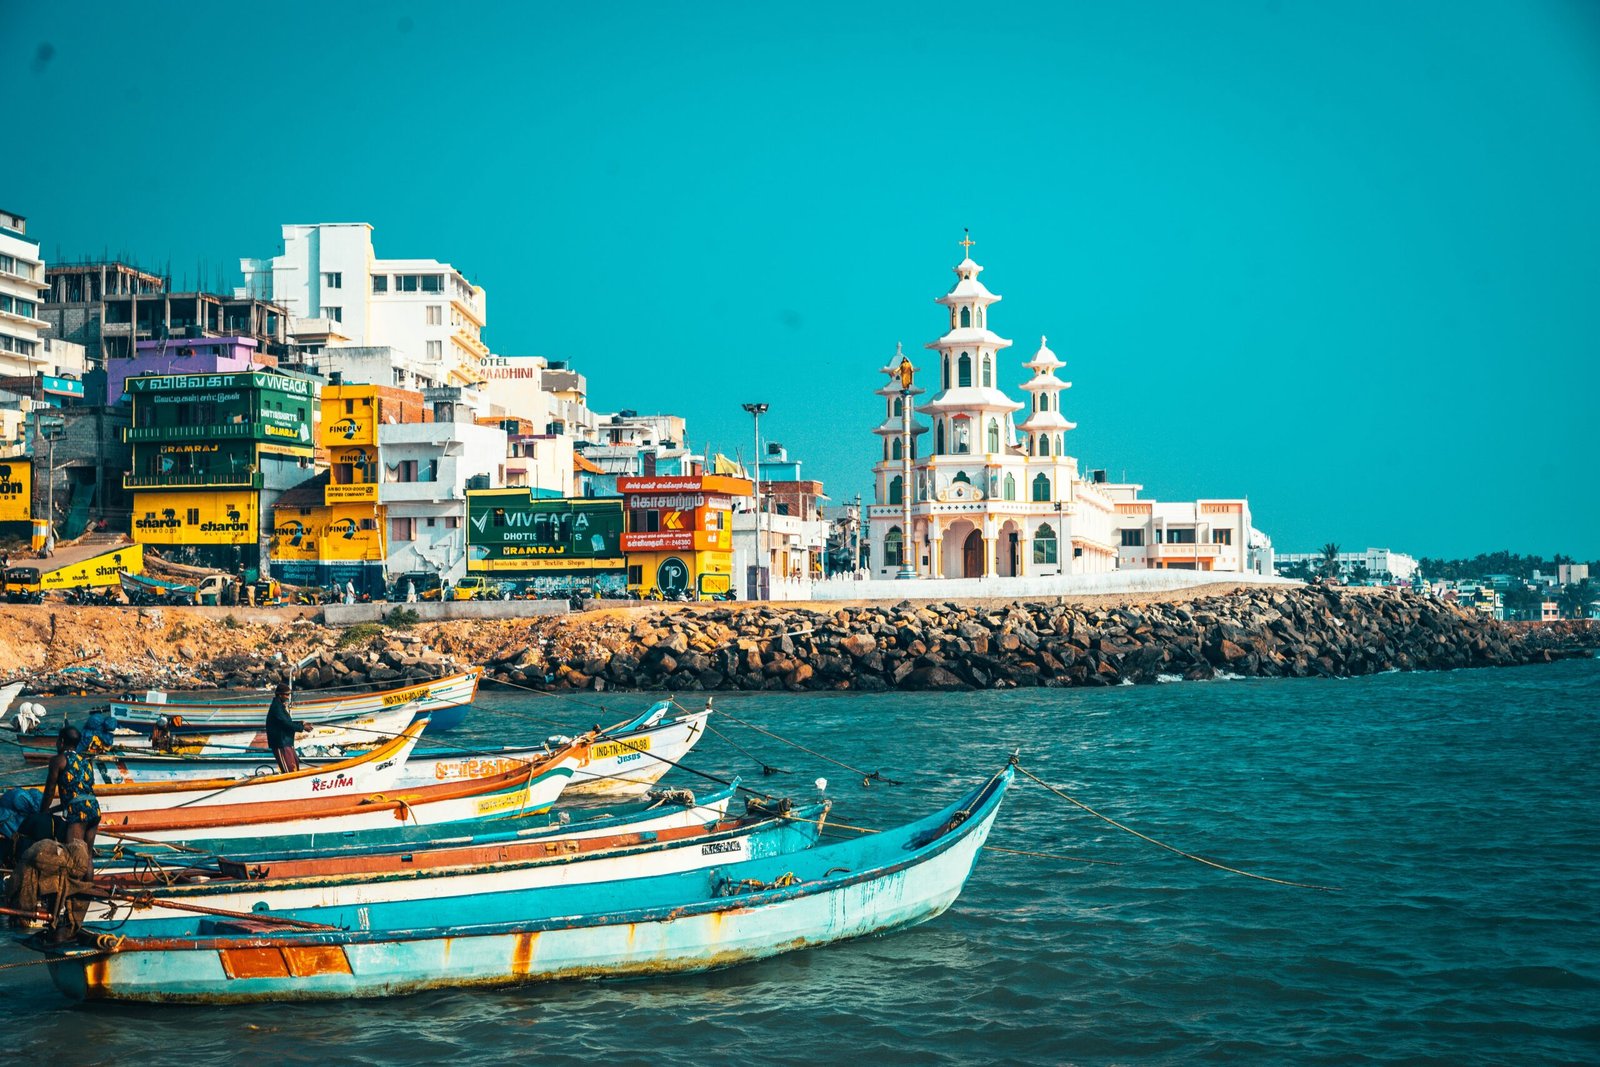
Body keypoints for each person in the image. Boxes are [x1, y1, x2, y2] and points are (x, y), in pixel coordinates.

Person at [39, 726, 99, 850]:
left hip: (79, 813)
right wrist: (51, 810)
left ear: (61, 742)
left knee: (74, 856)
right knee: (87, 857)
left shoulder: (58, 761)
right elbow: (78, 795)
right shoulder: (86, 762)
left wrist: (42, 813)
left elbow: (49, 791)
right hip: (94, 809)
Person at [265, 683, 308, 773]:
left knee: (295, 767)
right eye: (286, 694)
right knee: (289, 771)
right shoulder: (276, 708)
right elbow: (286, 724)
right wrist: (302, 727)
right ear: (280, 695)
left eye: (289, 694)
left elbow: (287, 722)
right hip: (280, 744)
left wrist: (301, 723)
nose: (288, 697)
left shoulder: (280, 706)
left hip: (287, 742)